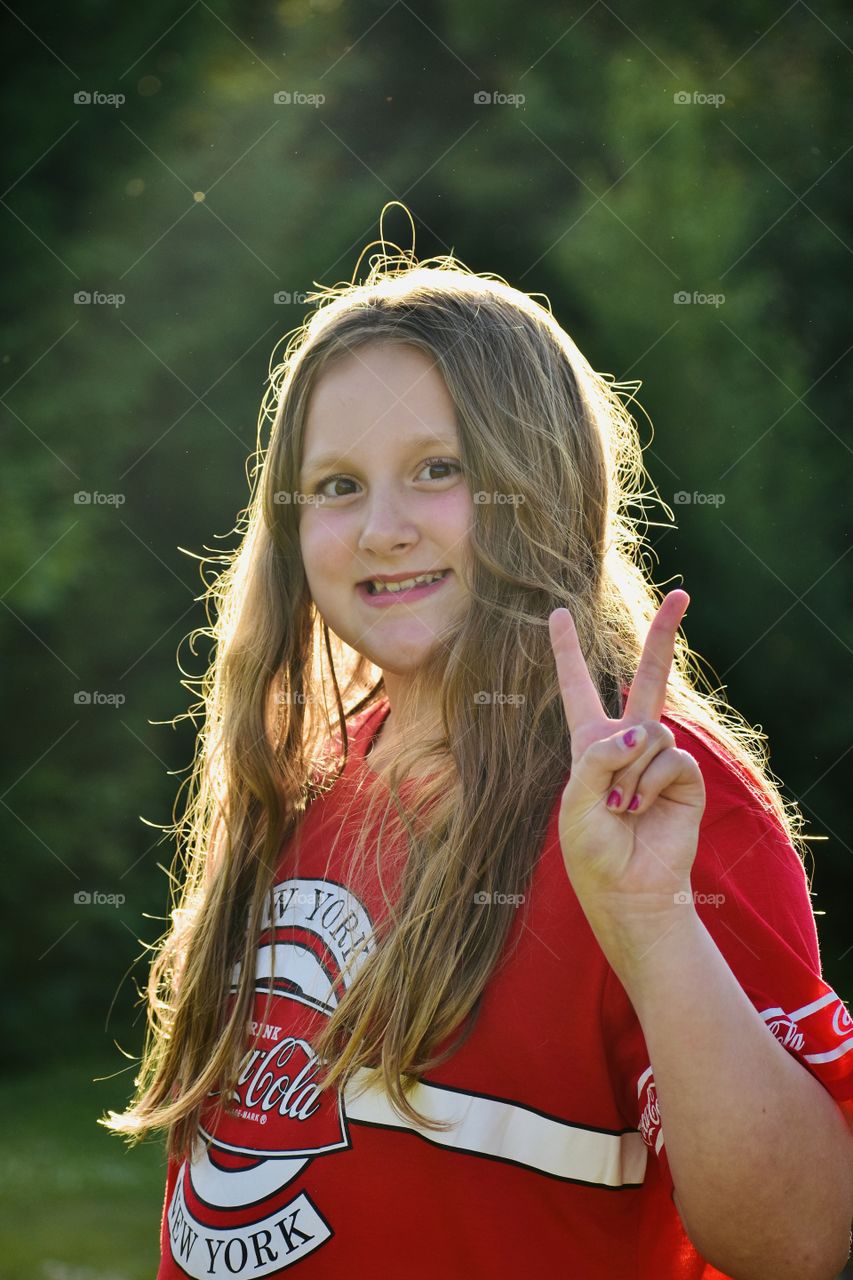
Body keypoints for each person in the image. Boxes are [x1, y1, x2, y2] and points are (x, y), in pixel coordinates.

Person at [101, 213, 853, 1279]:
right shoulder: (312, 774)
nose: (381, 527)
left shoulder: (656, 802)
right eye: (336, 485)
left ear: (540, 486)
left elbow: (797, 1242)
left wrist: (651, 922)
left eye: (438, 468)